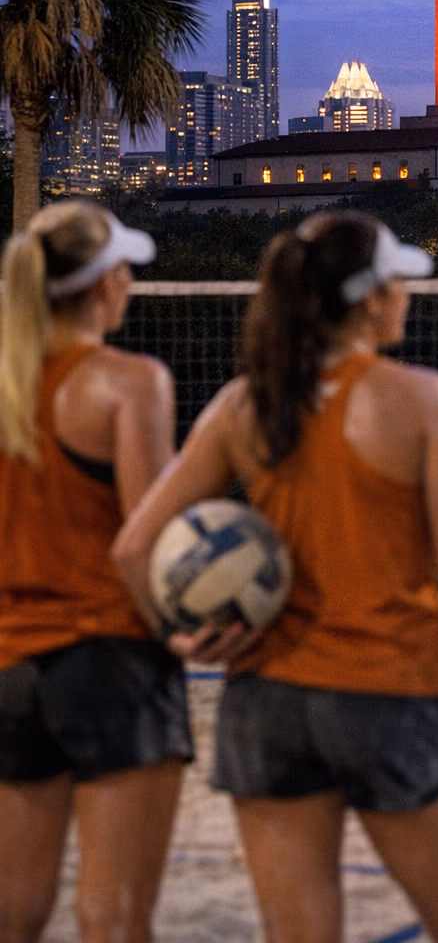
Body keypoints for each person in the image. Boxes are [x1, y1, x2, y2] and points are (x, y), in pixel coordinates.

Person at [115, 211, 438, 943]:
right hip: (388, 689)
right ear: (371, 298)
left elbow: (133, 550)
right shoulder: (420, 400)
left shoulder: (241, 405)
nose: (407, 293)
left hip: (266, 701)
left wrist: (178, 637)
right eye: (398, 280)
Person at [0, 201, 191, 943]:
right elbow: (145, 540)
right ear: (105, 282)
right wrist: (188, 632)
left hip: (13, 659)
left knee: (15, 910)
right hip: (111, 657)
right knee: (113, 914)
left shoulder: (11, 383)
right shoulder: (128, 381)